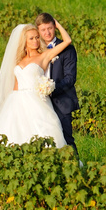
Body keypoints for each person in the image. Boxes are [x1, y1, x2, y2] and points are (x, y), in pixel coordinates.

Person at [0, 20, 72, 148]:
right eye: (31, 38)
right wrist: (8, 104)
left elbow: (67, 41)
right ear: (24, 41)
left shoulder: (44, 56)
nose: (35, 41)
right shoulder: (19, 60)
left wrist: (57, 24)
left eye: (37, 37)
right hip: (16, 100)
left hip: (36, 101)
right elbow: (16, 84)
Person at [36, 12, 79, 154]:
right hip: (40, 102)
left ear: (55, 27)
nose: (47, 33)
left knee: (66, 139)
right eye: (43, 29)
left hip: (61, 101)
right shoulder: (36, 50)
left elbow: (70, 78)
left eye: (50, 28)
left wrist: (51, 89)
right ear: (38, 31)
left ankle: (76, 167)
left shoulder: (66, 49)